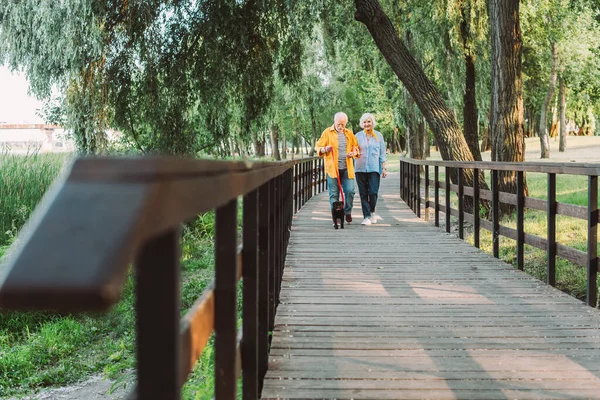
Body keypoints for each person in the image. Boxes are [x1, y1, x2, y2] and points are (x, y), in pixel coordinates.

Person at [316, 112, 359, 224]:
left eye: (343, 124)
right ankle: (336, 217)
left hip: (346, 168)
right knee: (334, 194)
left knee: (350, 191)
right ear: (334, 122)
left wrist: (353, 153)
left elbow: (356, 147)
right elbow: (318, 147)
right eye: (339, 124)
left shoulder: (349, 133)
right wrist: (325, 149)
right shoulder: (327, 132)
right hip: (332, 170)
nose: (340, 127)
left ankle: (347, 211)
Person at [355, 113, 387, 225]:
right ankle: (367, 216)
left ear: (372, 122)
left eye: (369, 121)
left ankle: (372, 211)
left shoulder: (379, 136)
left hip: (374, 168)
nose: (367, 124)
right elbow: (353, 150)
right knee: (363, 193)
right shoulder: (357, 136)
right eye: (364, 122)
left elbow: (382, 153)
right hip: (360, 168)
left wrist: (383, 168)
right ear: (362, 124)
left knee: (373, 192)